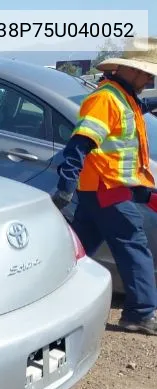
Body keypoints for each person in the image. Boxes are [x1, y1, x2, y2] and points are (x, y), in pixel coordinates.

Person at [51, 37, 157, 335]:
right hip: (108, 190)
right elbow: (79, 144)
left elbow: (138, 109)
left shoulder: (123, 96)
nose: (150, 79)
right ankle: (140, 314)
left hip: (101, 191)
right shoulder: (106, 99)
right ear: (131, 70)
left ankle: (47, 297)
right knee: (134, 248)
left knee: (78, 249)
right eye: (148, 73)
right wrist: (65, 186)